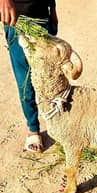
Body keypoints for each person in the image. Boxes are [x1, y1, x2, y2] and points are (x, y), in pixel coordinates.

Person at [0, 0, 58, 152]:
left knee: (49, 75)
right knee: (24, 80)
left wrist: (52, 7)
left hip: (41, 18)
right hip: (16, 20)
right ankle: (33, 128)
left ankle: (58, 123)